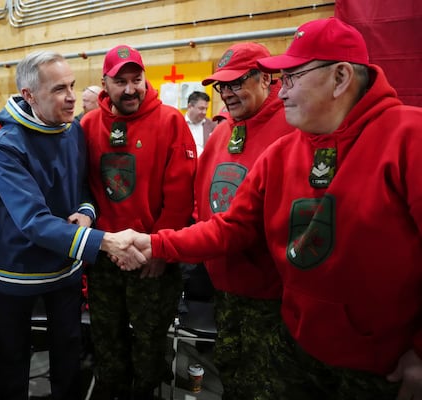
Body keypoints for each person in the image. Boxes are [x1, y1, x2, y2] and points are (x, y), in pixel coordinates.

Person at [121, 17, 422, 399]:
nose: (282, 92)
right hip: (297, 346)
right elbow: (230, 227)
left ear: (341, 77)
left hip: (384, 367)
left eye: (293, 77)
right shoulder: (282, 153)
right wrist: (155, 244)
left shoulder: (409, 138)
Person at [0, 50, 146, 400]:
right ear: (29, 95)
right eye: (59, 89)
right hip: (17, 268)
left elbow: (81, 188)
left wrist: (86, 213)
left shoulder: (72, 130)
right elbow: (33, 221)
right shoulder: (5, 146)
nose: (72, 97)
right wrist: (103, 241)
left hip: (64, 265)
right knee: (14, 354)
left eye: (71, 86)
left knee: (68, 349)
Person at [81, 44, 197, 399]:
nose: (130, 89)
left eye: (137, 79)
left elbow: (180, 196)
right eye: (120, 81)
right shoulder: (87, 125)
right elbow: (82, 187)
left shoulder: (171, 122)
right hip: (104, 258)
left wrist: (161, 250)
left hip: (152, 259)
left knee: (148, 344)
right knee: (107, 339)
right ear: (105, 83)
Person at [194, 41, 296, 399]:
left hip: (271, 292)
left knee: (266, 382)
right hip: (225, 284)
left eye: (237, 83)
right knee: (231, 369)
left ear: (266, 78)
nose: (227, 94)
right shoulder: (224, 131)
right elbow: (203, 198)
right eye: (222, 86)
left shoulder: (292, 125)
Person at [184, 90, 217, 156]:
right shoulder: (178, 124)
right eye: (201, 108)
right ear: (190, 106)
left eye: (206, 109)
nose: (204, 112)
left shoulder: (213, 126)